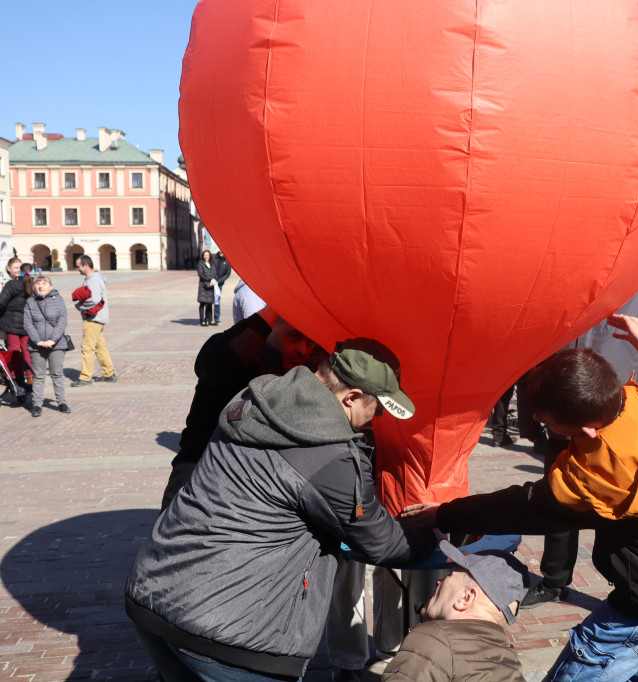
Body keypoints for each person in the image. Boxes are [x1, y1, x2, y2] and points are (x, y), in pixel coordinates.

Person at [404, 314, 638, 682]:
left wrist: (445, 514)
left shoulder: (588, 479)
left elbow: (516, 508)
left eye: (549, 424)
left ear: (586, 429)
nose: (546, 429)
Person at [126, 339, 437, 681]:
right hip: (227, 632)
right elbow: (379, 540)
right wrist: (430, 537)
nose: (375, 419)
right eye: (375, 408)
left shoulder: (255, 398)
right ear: (350, 397)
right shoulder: (331, 456)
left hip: (154, 593)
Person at [520, 275, 638, 609]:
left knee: (619, 505)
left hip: (616, 420)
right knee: (557, 500)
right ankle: (555, 579)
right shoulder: (567, 277)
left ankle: (629, 582)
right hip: (564, 417)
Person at [160, 312, 319, 509]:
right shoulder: (232, 357)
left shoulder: (299, 375)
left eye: (311, 342)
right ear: (269, 328)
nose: (302, 350)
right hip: (195, 491)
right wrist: (275, 306)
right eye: (294, 337)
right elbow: (214, 365)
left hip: (247, 506)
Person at [381, 541, 530, 682]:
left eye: (448, 575)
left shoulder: (434, 639)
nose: (438, 581)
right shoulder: (509, 660)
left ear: (466, 597)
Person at [22, 275, 71, 417]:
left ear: (51, 287)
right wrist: (37, 341)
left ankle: (61, 402)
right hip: (36, 345)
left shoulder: (58, 300)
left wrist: (52, 340)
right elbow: (27, 323)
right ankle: (37, 404)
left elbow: (62, 321)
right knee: (39, 375)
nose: (40, 286)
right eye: (38, 283)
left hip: (56, 344)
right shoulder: (30, 302)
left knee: (57, 374)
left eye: (44, 283)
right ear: (34, 287)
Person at [71, 255, 116, 387]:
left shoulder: (93, 280)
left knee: (87, 347)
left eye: (78, 266)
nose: (77, 269)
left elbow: (94, 299)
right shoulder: (94, 278)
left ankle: (85, 377)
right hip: (98, 317)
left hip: (93, 317)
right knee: (99, 346)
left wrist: (79, 306)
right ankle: (109, 373)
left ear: (86, 265)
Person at [0, 257, 34, 393]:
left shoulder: (11, 284)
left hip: (12, 323)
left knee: (14, 351)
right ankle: (30, 376)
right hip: (27, 323)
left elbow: (2, 302)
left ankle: (18, 378)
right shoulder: (32, 284)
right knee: (26, 350)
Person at [196, 249, 216, 326]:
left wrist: (213, 280)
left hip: (211, 285)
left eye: (207, 255)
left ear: (209, 256)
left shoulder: (212, 263)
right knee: (202, 303)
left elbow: (214, 272)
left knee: (210, 303)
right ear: (202, 256)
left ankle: (210, 319)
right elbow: (201, 274)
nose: (206, 257)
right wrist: (210, 279)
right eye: (204, 255)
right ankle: (202, 320)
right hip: (203, 285)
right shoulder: (200, 263)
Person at [212, 251, 232, 326]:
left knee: (216, 301)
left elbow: (227, 274)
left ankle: (216, 318)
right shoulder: (213, 257)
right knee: (208, 301)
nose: (221, 252)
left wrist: (218, 281)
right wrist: (212, 279)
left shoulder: (227, 260)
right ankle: (208, 318)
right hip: (210, 282)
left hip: (218, 285)